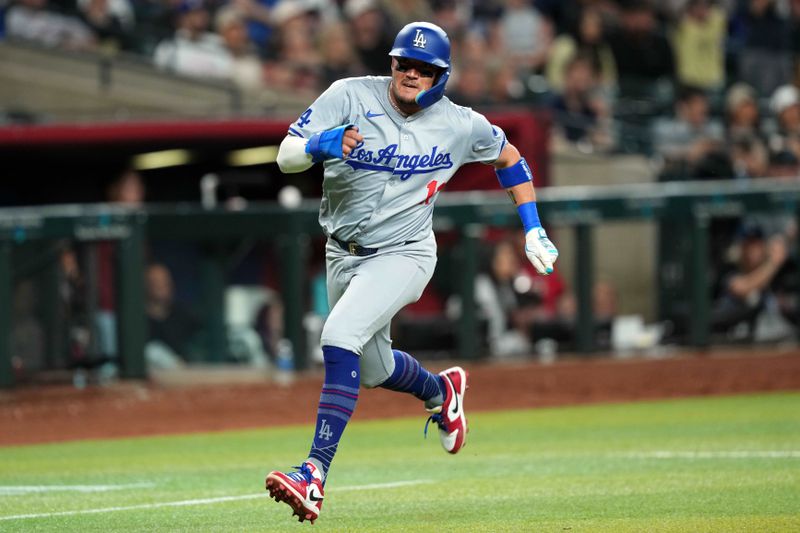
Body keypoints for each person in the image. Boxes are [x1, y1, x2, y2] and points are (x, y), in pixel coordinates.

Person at [266, 21, 559, 524]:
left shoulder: (459, 123)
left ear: (441, 77)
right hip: (343, 252)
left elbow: (510, 157)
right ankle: (439, 391)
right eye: (405, 64)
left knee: (338, 336)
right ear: (392, 62)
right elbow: (286, 156)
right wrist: (321, 144)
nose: (411, 74)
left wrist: (532, 228)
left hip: (405, 252)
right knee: (375, 369)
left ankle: (313, 473)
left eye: (425, 69)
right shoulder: (347, 95)